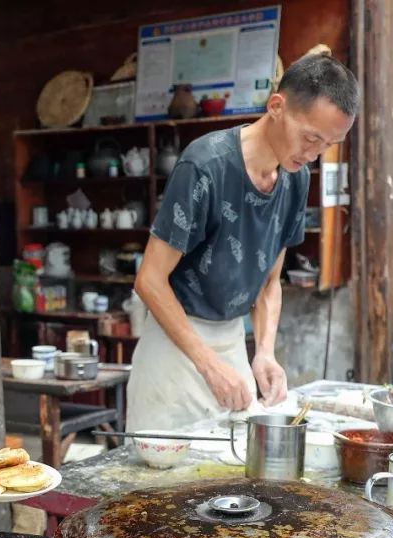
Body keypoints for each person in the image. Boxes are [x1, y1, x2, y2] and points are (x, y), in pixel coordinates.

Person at [127, 53, 358, 431]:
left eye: (328, 145)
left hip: (232, 342)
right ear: (277, 106)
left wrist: (265, 352)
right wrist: (207, 363)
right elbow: (149, 280)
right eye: (311, 138)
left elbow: (270, 282)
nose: (314, 153)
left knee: (227, 478)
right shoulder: (205, 165)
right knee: (160, 482)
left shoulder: (296, 177)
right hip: (175, 348)